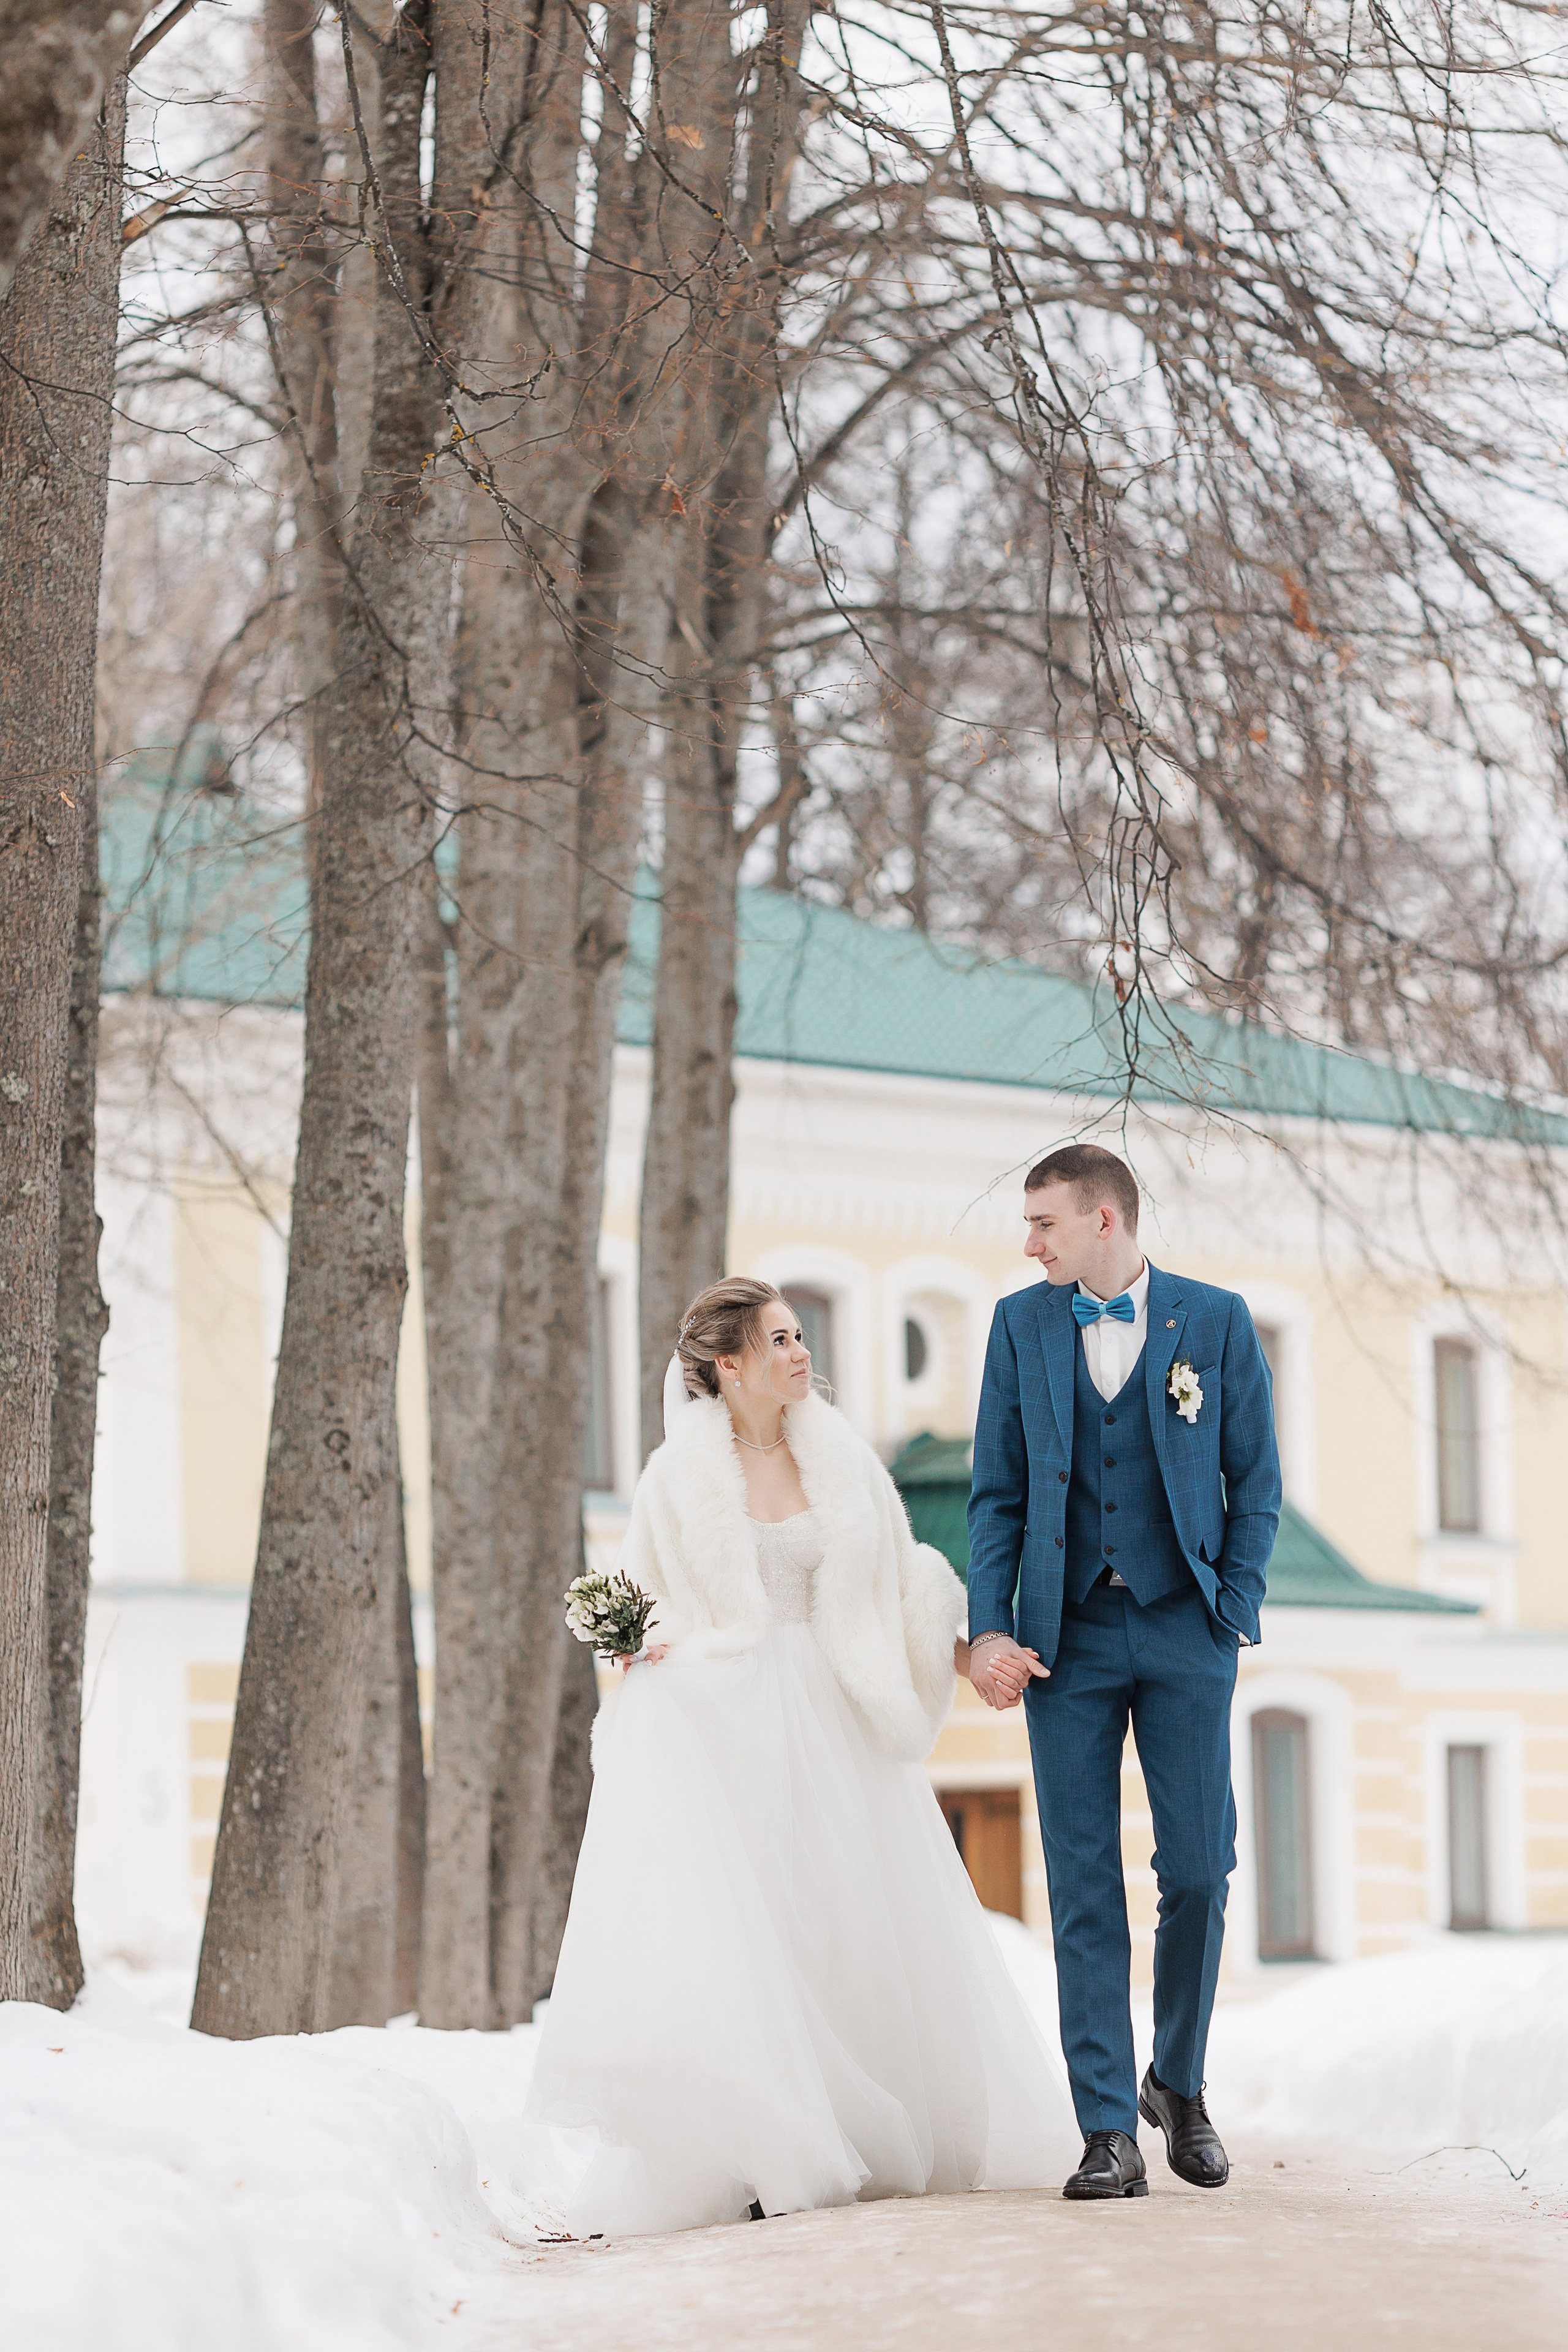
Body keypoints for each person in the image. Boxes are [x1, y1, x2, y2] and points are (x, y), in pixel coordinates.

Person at [525, 1276, 1077, 2236]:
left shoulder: (844, 1462)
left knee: (848, 1921)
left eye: (799, 1336)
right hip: (728, 1719)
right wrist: (638, 1642)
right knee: (757, 1930)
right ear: (727, 1365)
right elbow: (650, 1606)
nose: (799, 1354)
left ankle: (864, 2129)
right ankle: (766, 2147)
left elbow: (904, 1580)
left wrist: (968, 1651)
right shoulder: (674, 1484)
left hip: (833, 1715)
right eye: (778, 1341)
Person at [967, 1145, 1281, 2200]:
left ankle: (1178, 2086)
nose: (1030, 1243)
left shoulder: (1219, 1320)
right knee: (1082, 1885)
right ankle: (1107, 2128)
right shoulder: (1020, 1326)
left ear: (1105, 1220)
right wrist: (987, 1631)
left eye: (1044, 1223)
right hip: (1066, 1639)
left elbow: (1258, 1480)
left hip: (1186, 1627)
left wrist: (1230, 1609)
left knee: (1199, 1869)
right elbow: (995, 1496)